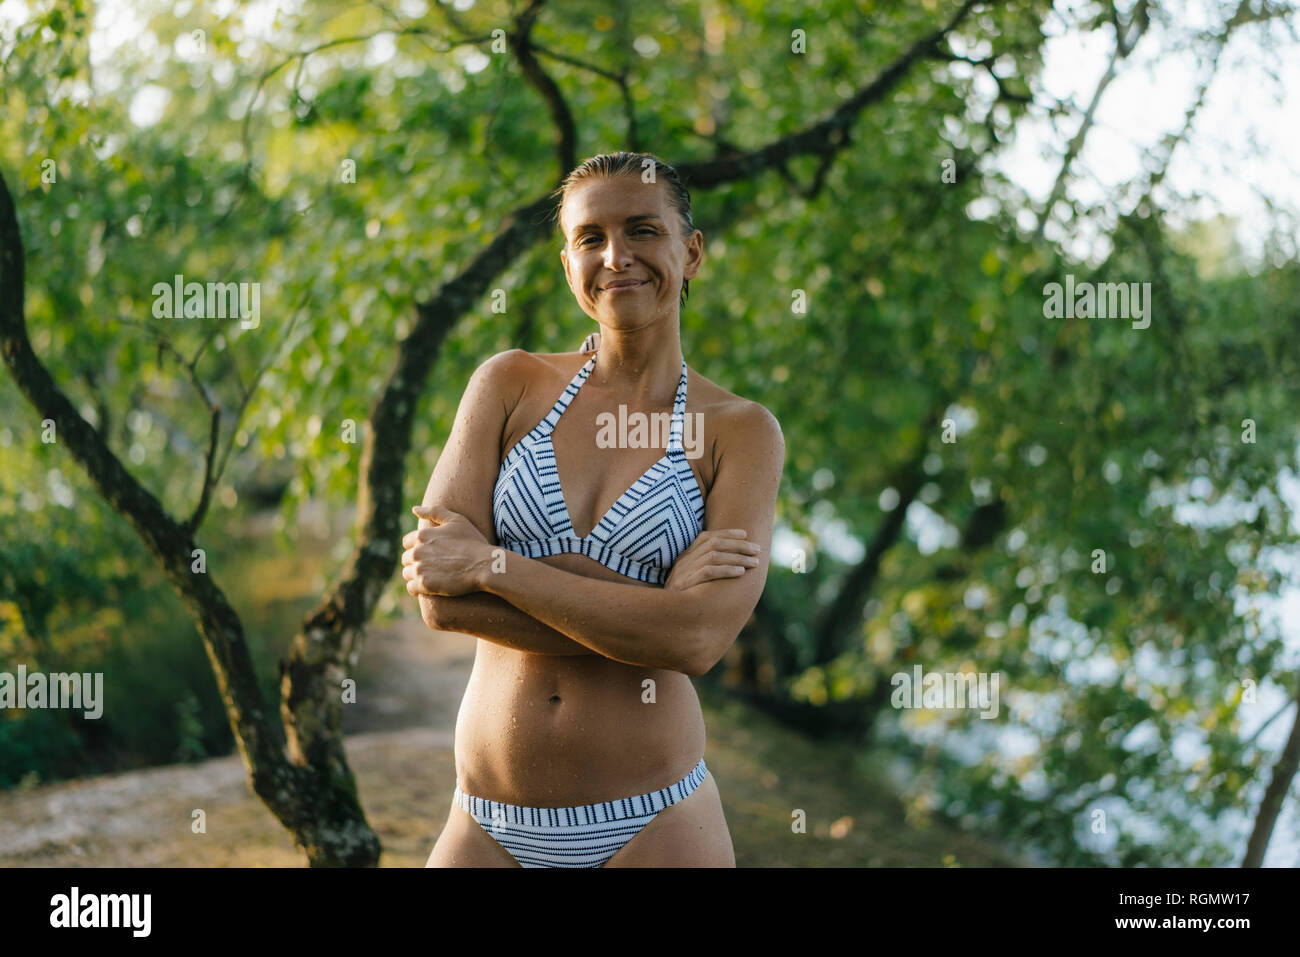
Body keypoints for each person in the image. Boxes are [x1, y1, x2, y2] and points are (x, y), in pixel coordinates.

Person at [400, 151, 785, 867]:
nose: (617, 256)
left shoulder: (740, 430)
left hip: (657, 824)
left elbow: (698, 643)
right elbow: (440, 602)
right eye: (590, 237)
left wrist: (493, 564)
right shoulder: (508, 383)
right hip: (485, 821)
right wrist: (655, 607)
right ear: (567, 260)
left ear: (691, 251)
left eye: (643, 229)